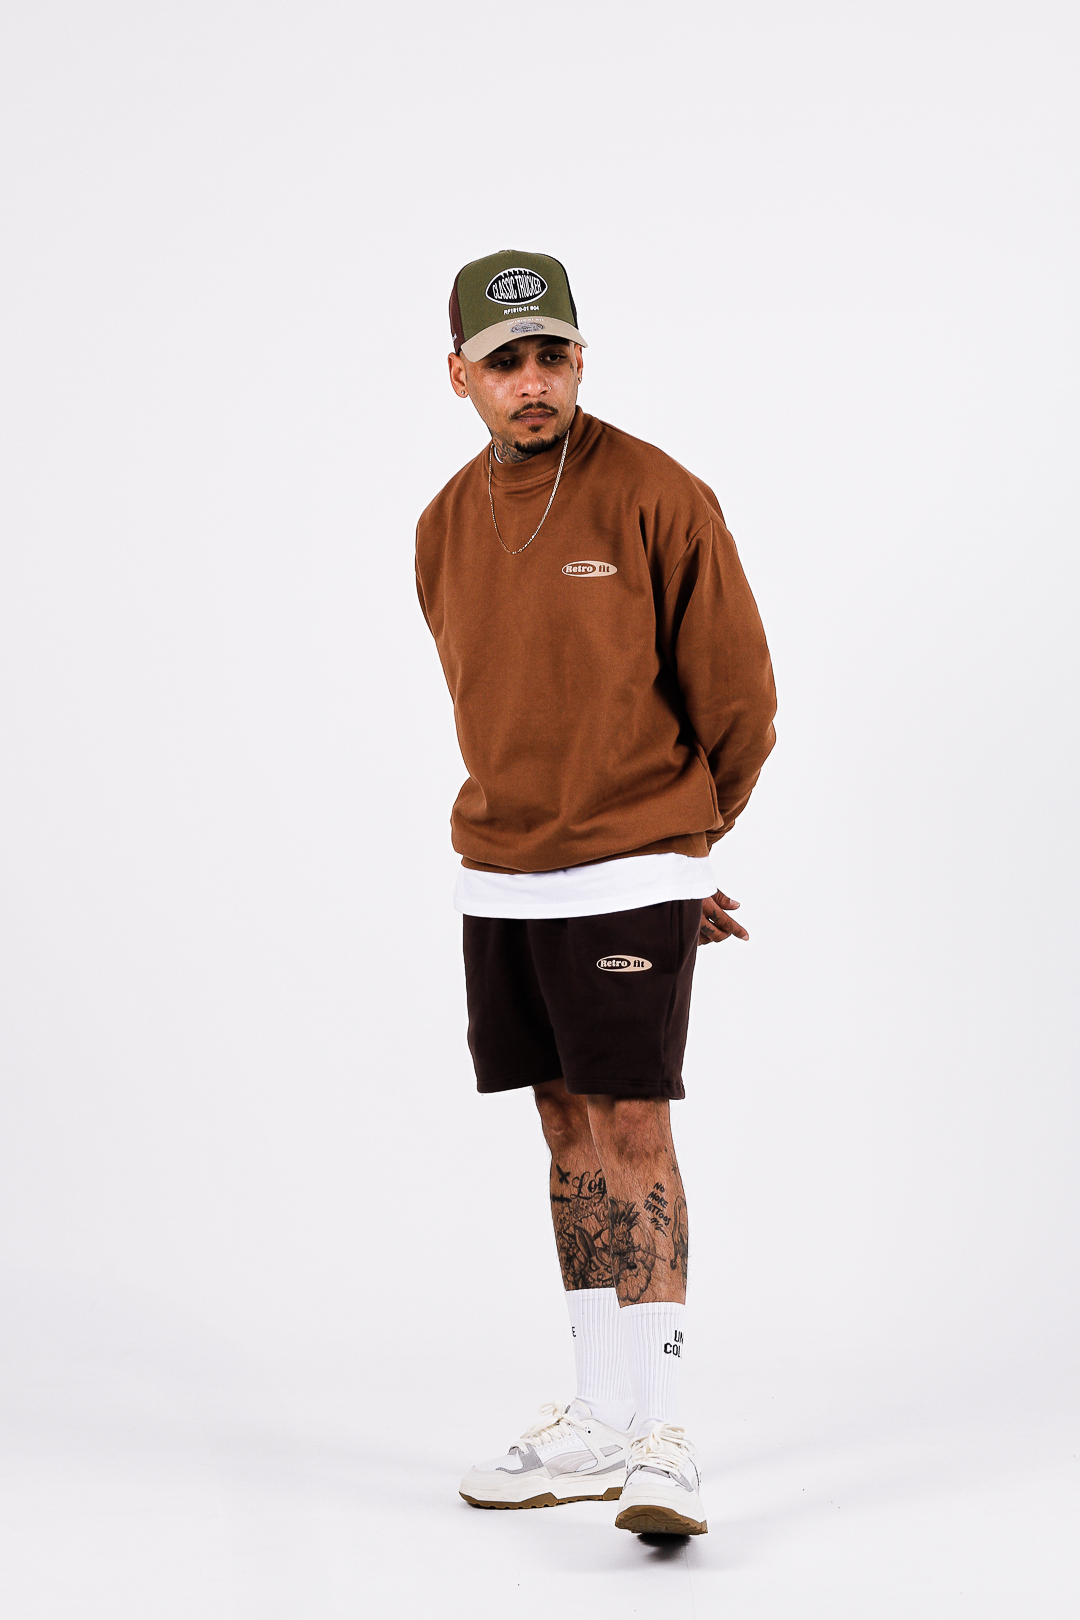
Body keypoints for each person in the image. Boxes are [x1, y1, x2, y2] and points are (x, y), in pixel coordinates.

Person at [414, 250, 776, 1537]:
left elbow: (742, 701)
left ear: (581, 360)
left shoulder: (659, 495)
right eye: (504, 361)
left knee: (632, 1128)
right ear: (458, 374)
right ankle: (598, 1415)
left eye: (551, 356)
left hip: (629, 863)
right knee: (564, 1129)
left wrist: (680, 853)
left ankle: (666, 1435)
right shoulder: (442, 524)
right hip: (503, 871)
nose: (532, 382)